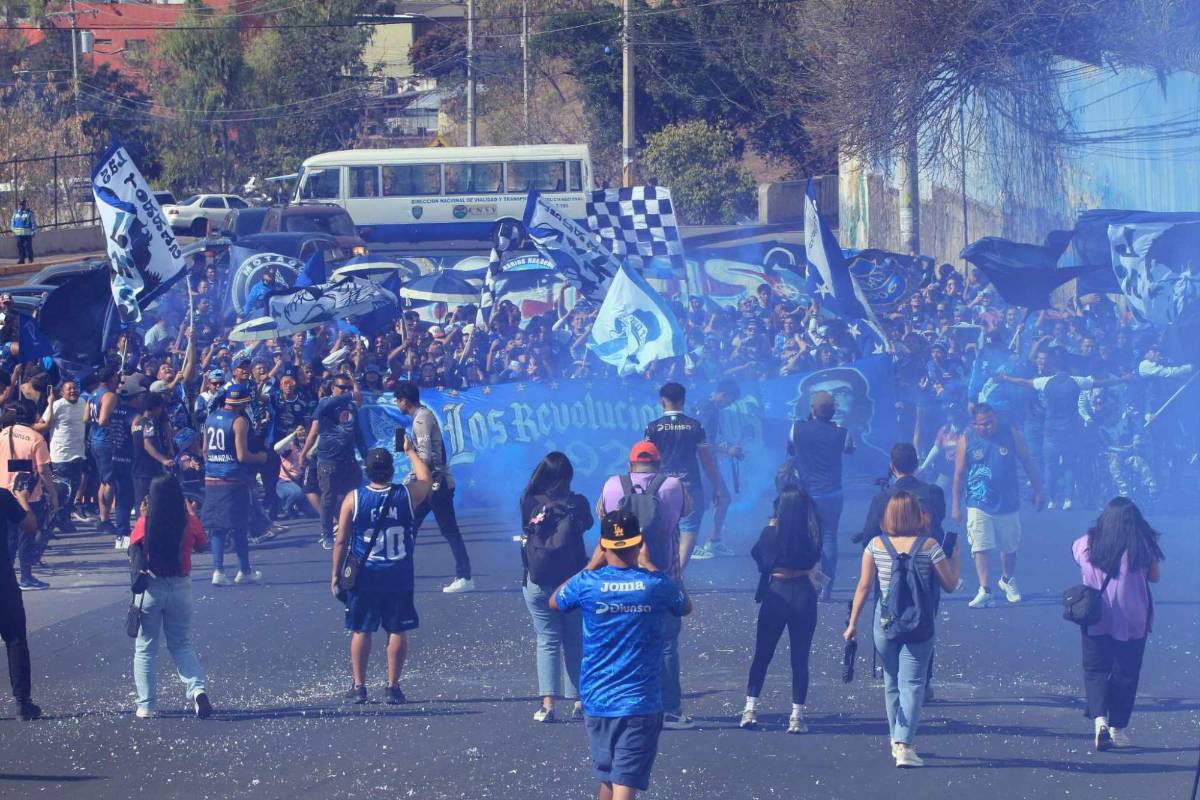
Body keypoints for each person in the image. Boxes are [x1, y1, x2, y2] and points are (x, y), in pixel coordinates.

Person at [551, 510, 692, 800]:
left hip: (597, 700)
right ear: (639, 544)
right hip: (639, 702)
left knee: (609, 777)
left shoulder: (588, 583)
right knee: (624, 782)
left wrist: (590, 566)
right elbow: (684, 604)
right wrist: (650, 565)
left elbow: (556, 601)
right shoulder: (656, 585)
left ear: (603, 545)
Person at [844, 492, 959, 768]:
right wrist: (955, 557)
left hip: (884, 622)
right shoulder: (930, 546)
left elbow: (863, 586)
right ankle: (904, 744)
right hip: (920, 623)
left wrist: (852, 624)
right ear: (917, 515)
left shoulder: (875, 545)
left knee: (891, 681)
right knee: (914, 683)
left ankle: (896, 737)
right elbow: (950, 584)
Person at [597, 441, 691, 729]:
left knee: (623, 641)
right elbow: (688, 511)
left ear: (630, 465)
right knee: (665, 645)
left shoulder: (613, 485)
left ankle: (626, 704)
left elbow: (602, 516)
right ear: (659, 464)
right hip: (662, 574)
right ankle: (670, 710)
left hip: (622, 577)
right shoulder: (673, 484)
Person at [332, 445, 431, 705]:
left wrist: (336, 574)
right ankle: (392, 686)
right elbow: (426, 480)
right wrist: (410, 452)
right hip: (398, 573)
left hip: (366, 574)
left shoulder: (354, 498)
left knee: (360, 629)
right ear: (391, 470)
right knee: (396, 629)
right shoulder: (405, 495)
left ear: (367, 470)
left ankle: (359, 685)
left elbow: (341, 541)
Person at [1072, 497, 1163, 750]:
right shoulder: (1143, 544)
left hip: (1095, 615)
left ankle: (1099, 719)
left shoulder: (1086, 543)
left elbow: (1077, 560)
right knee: (1126, 673)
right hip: (1133, 619)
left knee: (1095, 670)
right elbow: (1154, 577)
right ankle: (1118, 729)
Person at [129, 474, 213, 719]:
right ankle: (198, 691)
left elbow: (135, 547)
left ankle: (146, 705)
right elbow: (201, 544)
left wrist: (143, 515)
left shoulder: (146, 522)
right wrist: (191, 513)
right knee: (181, 643)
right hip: (180, 587)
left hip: (152, 588)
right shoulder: (187, 522)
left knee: (145, 648)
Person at [740, 484, 822, 734]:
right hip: (803, 593)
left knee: (763, 653)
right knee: (800, 657)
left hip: (777, 592)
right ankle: (797, 715)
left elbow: (759, 557)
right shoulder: (812, 533)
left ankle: (750, 707)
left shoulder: (770, 533)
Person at [520, 451, 593, 723]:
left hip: (537, 580)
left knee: (547, 640)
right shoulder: (578, 503)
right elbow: (587, 525)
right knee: (575, 639)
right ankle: (580, 701)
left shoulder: (529, 500)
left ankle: (548, 704)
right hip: (571, 582)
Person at [951, 403, 1044, 609]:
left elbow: (1028, 461)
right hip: (978, 501)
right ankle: (985, 590)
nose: (989, 427)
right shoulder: (966, 440)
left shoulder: (1010, 433)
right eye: (983, 424)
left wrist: (1038, 490)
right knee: (980, 544)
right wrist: (956, 506)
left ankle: (1007, 579)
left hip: (1008, 501)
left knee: (1009, 546)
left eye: (991, 422)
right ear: (974, 424)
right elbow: (959, 474)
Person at [393, 381, 474, 592]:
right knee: (411, 526)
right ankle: (400, 573)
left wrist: (409, 479)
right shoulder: (423, 416)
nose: (396, 404)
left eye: (397, 400)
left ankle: (464, 576)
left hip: (436, 484)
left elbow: (425, 456)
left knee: (448, 529)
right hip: (430, 482)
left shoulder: (421, 419)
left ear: (404, 401)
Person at [643, 382, 727, 570]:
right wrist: (718, 488)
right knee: (689, 528)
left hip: (661, 485)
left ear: (662, 401)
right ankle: (678, 573)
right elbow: (706, 461)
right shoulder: (695, 426)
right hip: (690, 484)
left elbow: (647, 461)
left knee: (662, 527)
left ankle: (661, 569)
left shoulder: (652, 428)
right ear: (682, 400)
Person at [787, 390, 855, 601]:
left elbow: (790, 451)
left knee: (804, 537)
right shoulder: (842, 433)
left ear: (813, 410)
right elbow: (850, 450)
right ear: (833, 411)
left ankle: (803, 582)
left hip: (805, 493)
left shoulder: (797, 427)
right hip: (832, 493)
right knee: (829, 538)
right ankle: (826, 588)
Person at [202, 383, 265, 586]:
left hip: (212, 478)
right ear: (244, 402)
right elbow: (242, 455)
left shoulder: (210, 418)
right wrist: (260, 457)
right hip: (232, 479)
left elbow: (204, 450)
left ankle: (218, 570)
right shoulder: (239, 421)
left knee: (217, 528)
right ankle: (244, 570)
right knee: (239, 526)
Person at [299, 376, 368, 551]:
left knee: (352, 497)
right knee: (328, 499)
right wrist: (303, 453)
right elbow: (314, 432)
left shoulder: (351, 406)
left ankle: (352, 531)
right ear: (332, 388)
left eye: (347, 388)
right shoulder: (325, 404)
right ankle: (327, 534)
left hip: (349, 460)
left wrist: (366, 455)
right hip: (328, 460)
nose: (345, 391)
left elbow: (357, 432)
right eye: (341, 387)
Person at [0, 401, 57, 589]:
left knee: (8, 538)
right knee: (27, 536)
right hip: (29, 496)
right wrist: (54, 495)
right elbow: (43, 470)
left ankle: (7, 578)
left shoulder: (3, 433)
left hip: (4, 493)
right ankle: (26, 577)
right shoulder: (36, 438)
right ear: (34, 416)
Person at [688, 379, 742, 561]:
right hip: (702, 463)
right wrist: (728, 450)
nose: (729, 405)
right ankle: (690, 545)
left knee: (723, 499)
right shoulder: (708, 410)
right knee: (699, 504)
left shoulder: (707, 406)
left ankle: (713, 541)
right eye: (731, 401)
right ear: (724, 395)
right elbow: (701, 441)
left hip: (706, 462)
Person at [0, 484, 41, 718]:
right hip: (2, 580)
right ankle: (23, 702)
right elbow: (30, 526)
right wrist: (23, 499)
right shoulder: (3, 496)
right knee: (15, 638)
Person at [35, 380, 89, 533]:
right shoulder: (57, 405)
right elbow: (43, 423)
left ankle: (64, 518)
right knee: (62, 490)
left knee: (74, 488)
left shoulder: (83, 402)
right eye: (69, 389)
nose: (73, 391)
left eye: (75, 388)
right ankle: (54, 519)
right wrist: (50, 403)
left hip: (78, 453)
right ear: (62, 393)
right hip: (61, 454)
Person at [131, 392, 175, 511]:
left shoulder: (137, 423)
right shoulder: (149, 423)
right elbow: (148, 445)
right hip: (148, 469)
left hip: (137, 468)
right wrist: (164, 460)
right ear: (155, 407)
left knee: (140, 504)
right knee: (150, 505)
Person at [10, 199, 36, 265]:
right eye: (20, 204)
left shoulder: (29, 212)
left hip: (27, 233)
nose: (21, 206)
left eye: (22, 204)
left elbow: (33, 223)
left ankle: (30, 259)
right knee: (20, 247)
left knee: (28, 246)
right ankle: (21, 260)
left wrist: (33, 231)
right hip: (18, 234)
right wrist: (13, 229)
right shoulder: (15, 213)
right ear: (18, 205)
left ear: (25, 205)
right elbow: (13, 222)